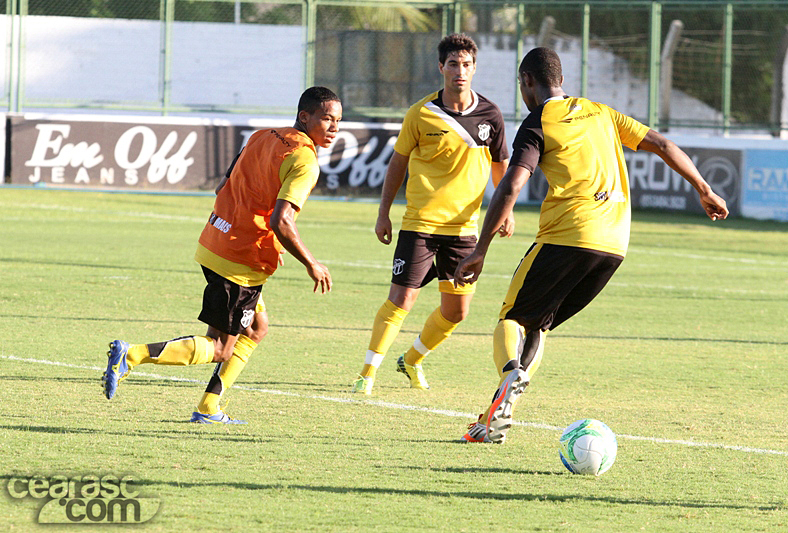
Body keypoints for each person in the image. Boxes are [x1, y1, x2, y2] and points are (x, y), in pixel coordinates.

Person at [455, 48, 729, 443]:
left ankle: (510, 373)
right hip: (614, 245)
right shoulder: (602, 112)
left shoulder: (537, 123)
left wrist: (480, 248)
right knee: (541, 321)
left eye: (521, 85)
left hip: (567, 235)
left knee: (511, 318)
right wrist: (704, 188)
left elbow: (512, 184)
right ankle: (500, 412)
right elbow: (664, 145)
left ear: (527, 81)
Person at [101, 86, 342, 424]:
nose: (334, 128)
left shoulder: (262, 136)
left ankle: (208, 407)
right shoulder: (304, 160)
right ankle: (132, 354)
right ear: (305, 117)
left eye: (338, 121)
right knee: (220, 348)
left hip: (215, 239)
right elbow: (282, 220)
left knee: (257, 328)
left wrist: (264, 238)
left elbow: (223, 187)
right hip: (240, 260)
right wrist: (312, 263)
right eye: (328, 119)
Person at [350, 33, 512, 395]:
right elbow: (398, 163)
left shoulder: (490, 115)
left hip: (466, 230)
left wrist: (508, 211)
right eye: (453, 64)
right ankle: (367, 373)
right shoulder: (421, 113)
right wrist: (383, 213)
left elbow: (501, 166)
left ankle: (412, 359)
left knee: (456, 312)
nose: (460, 71)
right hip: (420, 225)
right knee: (401, 299)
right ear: (441, 67)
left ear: (474, 69)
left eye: (467, 64)